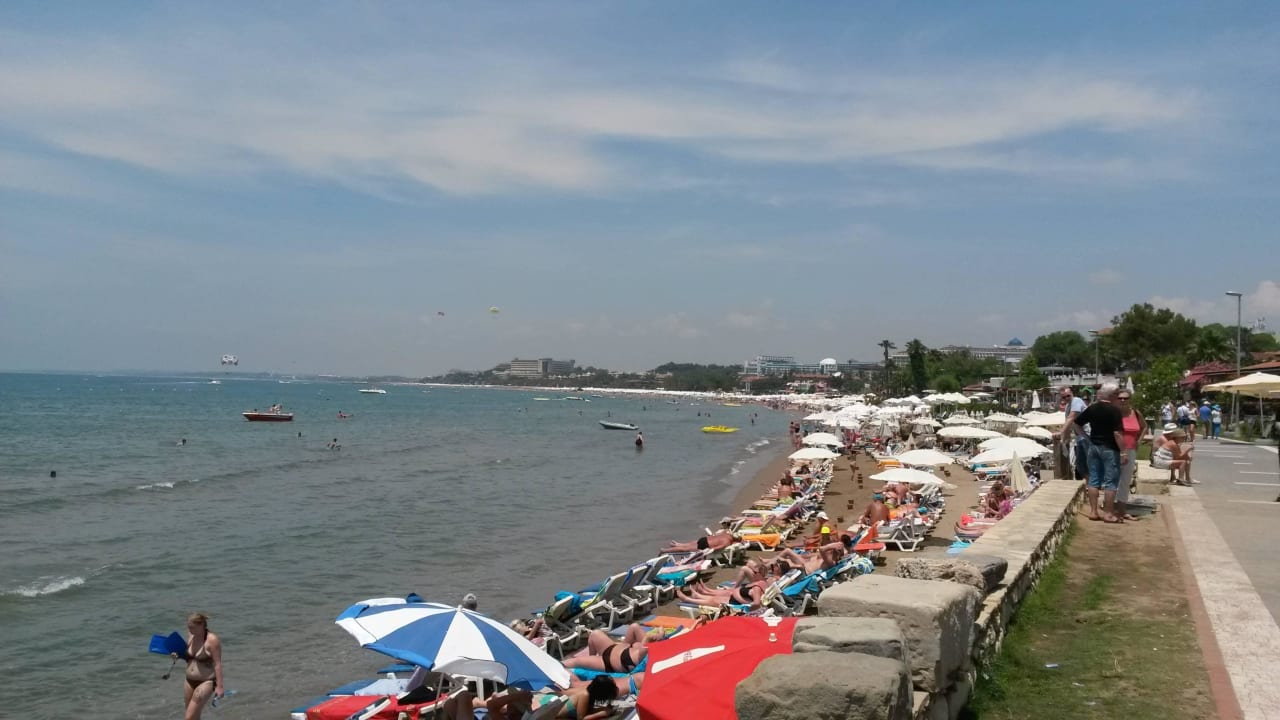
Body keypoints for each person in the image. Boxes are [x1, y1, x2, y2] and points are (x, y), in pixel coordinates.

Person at [1074, 383, 1126, 523]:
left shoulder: (1093, 408)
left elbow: (1077, 424)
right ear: (1113, 395)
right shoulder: (1115, 411)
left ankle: (1093, 511)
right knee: (1111, 482)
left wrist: (1086, 437)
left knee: (1093, 480)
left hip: (1093, 446)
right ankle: (1108, 514)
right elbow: (1117, 433)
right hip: (1110, 448)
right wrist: (1123, 452)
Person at [177, 613, 223, 720]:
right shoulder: (191, 636)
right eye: (188, 627)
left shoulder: (212, 640)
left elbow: (217, 664)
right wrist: (178, 655)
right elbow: (189, 658)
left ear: (202, 624)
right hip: (189, 681)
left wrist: (220, 687)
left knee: (188, 717)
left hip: (206, 682)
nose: (190, 630)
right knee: (194, 717)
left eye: (192, 627)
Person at [562, 625, 651, 674]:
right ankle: (591, 659)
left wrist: (649, 638)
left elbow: (645, 646)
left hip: (606, 661)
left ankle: (592, 662)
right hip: (615, 648)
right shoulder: (645, 647)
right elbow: (635, 627)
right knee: (595, 633)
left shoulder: (645, 655)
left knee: (574, 661)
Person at [1115, 389, 1147, 521]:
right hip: (1115, 449)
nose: (1122, 400)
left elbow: (1144, 427)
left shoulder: (1136, 413)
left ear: (1130, 400)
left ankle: (1122, 510)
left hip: (1131, 449)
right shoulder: (1114, 413)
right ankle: (1111, 508)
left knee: (1126, 480)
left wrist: (1139, 441)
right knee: (1113, 479)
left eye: (1125, 398)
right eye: (1120, 398)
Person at [1058, 387, 1091, 483]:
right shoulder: (1068, 406)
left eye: (1068, 395)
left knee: (1090, 463)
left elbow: (1071, 418)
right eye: (1064, 397)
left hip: (1086, 435)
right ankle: (1090, 484)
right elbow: (1068, 425)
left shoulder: (1076, 401)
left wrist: (1061, 433)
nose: (1067, 398)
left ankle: (1095, 485)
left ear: (1072, 393)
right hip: (1079, 437)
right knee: (1080, 465)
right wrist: (1063, 439)